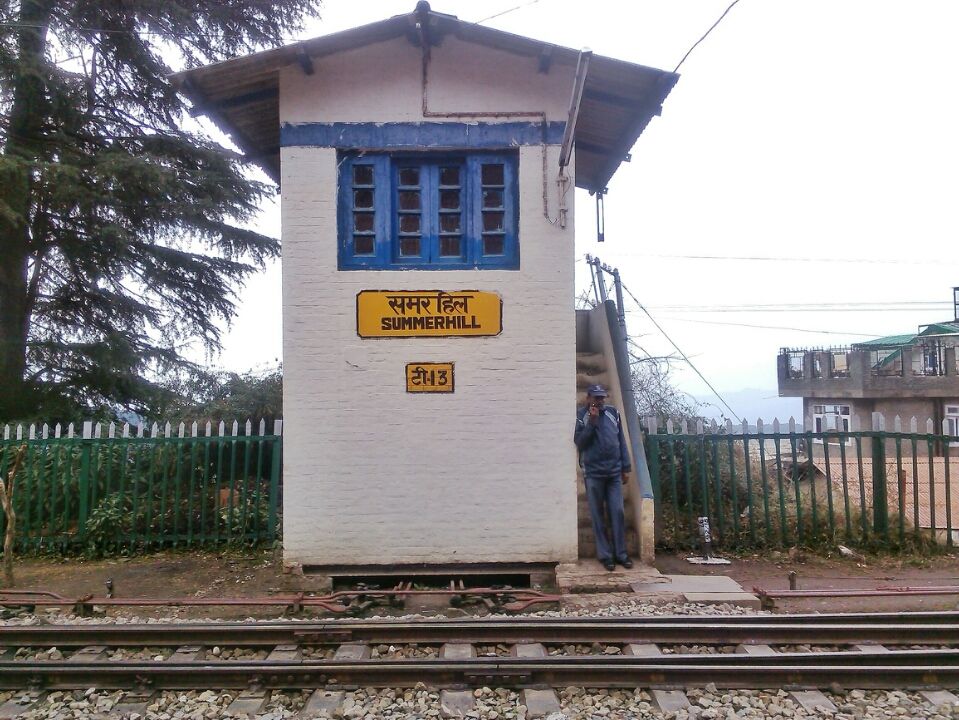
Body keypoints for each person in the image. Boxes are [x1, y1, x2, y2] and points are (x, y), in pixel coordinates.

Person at [574, 384, 633, 571]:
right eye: (596, 398)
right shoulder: (581, 415)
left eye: (602, 398)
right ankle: (605, 556)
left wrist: (626, 467)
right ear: (588, 398)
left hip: (614, 472)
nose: (599, 401)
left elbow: (621, 440)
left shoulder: (613, 413)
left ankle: (621, 555)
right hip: (593, 473)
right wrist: (592, 422)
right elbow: (580, 443)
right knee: (598, 516)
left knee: (617, 511)